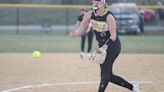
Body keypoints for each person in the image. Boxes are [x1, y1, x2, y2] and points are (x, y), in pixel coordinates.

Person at [70, 0, 141, 92]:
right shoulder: (89, 15)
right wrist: (75, 33)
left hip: (113, 46)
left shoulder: (109, 16)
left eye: (98, 1)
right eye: (94, 1)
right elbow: (82, 29)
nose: (95, 3)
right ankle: (133, 87)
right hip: (101, 47)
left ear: (104, 3)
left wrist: (105, 46)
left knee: (105, 75)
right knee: (108, 75)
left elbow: (113, 35)